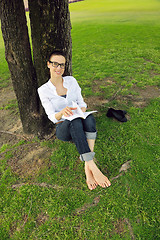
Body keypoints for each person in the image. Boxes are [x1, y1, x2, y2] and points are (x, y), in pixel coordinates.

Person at [38, 50, 111, 190]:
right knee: (74, 121)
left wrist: (81, 110)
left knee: (88, 117)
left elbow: (82, 102)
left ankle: (87, 165)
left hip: (78, 118)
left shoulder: (71, 81)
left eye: (62, 65)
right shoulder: (43, 90)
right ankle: (93, 167)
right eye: (55, 64)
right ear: (48, 64)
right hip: (62, 128)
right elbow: (51, 117)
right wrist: (61, 113)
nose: (58, 68)